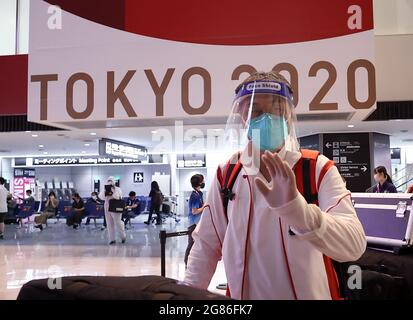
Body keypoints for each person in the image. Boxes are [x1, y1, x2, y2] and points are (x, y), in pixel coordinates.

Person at [184, 71, 366, 300]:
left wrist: (298, 212)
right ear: (243, 117)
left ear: (289, 116)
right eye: (257, 111)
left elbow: (354, 245)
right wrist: (184, 297)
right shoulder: (226, 174)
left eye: (277, 109)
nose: (267, 118)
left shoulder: (317, 168)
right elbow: (206, 247)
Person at [184, 174, 206, 267]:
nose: (204, 182)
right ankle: (187, 263)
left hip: (199, 223)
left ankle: (195, 262)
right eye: (203, 180)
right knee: (191, 243)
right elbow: (194, 211)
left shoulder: (199, 194)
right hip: (193, 223)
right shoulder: (194, 196)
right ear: (199, 183)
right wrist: (204, 207)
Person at [99, 176, 126, 245]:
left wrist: (113, 191)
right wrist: (105, 191)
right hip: (107, 207)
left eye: (111, 181)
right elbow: (101, 197)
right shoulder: (105, 189)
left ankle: (123, 236)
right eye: (108, 180)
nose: (109, 182)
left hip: (115, 207)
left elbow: (118, 197)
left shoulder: (118, 189)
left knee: (118, 222)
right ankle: (112, 239)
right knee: (109, 223)